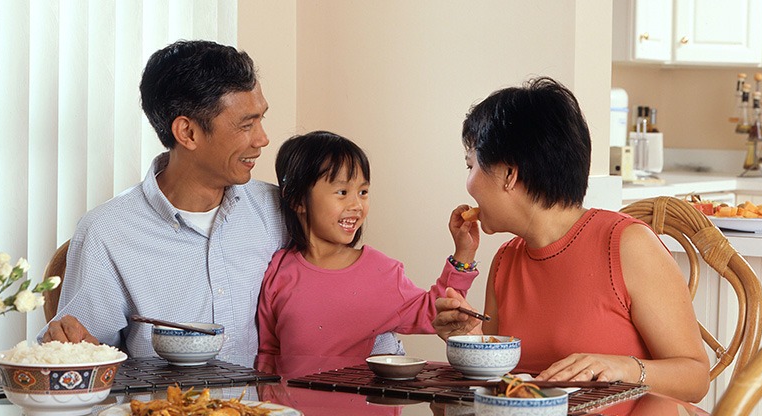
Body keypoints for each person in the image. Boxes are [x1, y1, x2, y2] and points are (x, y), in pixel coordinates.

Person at [431, 77, 710, 403]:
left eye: (471, 165)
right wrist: (471, 338)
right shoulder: (506, 260)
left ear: (510, 174)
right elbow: (504, 388)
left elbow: (696, 377)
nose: (469, 184)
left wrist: (620, 368)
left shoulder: (627, 245)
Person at [40, 40, 286, 367]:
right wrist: (69, 346)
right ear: (187, 132)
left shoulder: (280, 212)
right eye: (246, 125)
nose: (262, 139)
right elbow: (80, 357)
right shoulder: (107, 233)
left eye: (261, 120)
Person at [254, 131, 480, 378]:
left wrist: (464, 253)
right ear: (297, 200)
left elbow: (435, 311)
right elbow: (268, 353)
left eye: (363, 192)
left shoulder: (382, 271)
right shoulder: (278, 270)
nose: (357, 205)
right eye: (342, 192)